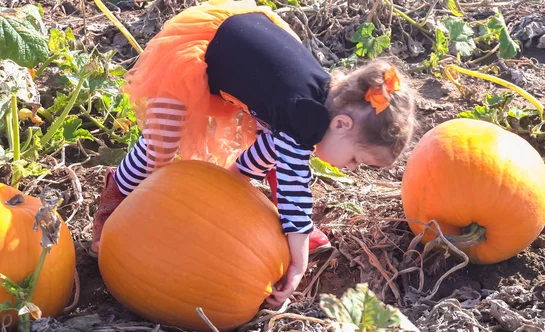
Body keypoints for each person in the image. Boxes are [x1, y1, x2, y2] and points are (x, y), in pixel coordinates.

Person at [90, 0, 417, 307]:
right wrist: (298, 261)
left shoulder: (323, 100)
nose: (348, 168)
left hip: (243, 41)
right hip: (195, 55)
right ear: (342, 124)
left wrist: (235, 178)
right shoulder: (305, 115)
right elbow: (296, 188)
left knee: (278, 144)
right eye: (355, 160)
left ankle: (277, 225)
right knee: (160, 145)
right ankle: (118, 188)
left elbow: (273, 150)